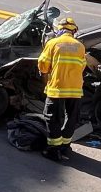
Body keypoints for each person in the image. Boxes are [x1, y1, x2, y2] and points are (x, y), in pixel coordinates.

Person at [37, 16, 86, 161]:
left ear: (59, 29)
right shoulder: (80, 46)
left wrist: (45, 80)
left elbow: (43, 65)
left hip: (57, 88)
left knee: (52, 118)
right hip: (75, 90)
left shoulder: (53, 43)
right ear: (74, 30)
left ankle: (53, 150)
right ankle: (65, 147)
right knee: (71, 119)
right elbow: (82, 67)